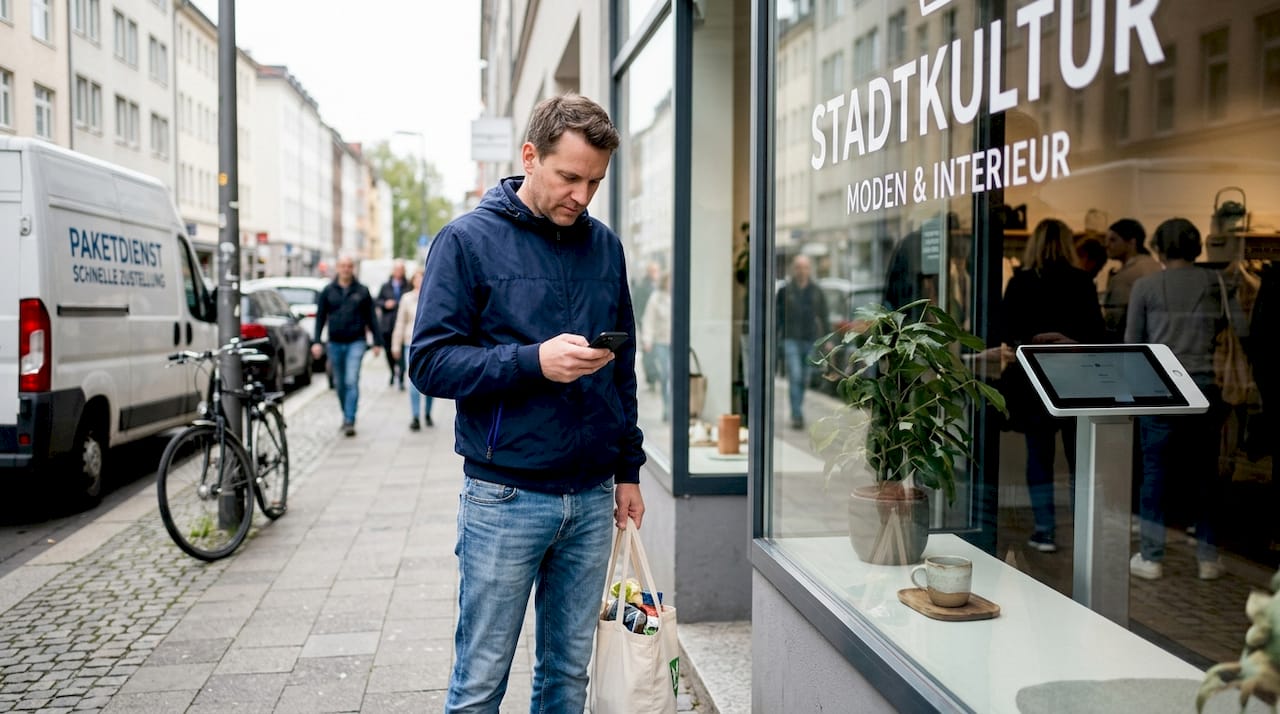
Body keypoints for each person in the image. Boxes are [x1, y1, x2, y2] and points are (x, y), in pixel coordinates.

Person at [407, 94, 646, 713]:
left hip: (591, 498)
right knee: (480, 683)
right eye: (569, 177)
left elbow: (622, 371)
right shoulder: (465, 241)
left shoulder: (605, 247)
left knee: (567, 678)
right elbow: (428, 363)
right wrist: (533, 361)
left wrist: (628, 470)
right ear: (530, 156)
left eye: (595, 182)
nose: (582, 196)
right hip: (505, 497)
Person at [1127, 218, 1235, 581]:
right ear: (1197, 246)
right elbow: (1235, 328)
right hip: (1204, 386)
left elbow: (1132, 343)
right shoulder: (1217, 283)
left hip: (1160, 388)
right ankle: (1208, 557)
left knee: (1155, 472)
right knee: (1205, 474)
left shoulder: (1145, 286)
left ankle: (1151, 556)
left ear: (1158, 247)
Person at [1002, 219, 1104, 553]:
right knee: (1078, 459)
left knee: (1039, 456)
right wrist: (1069, 340)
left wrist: (1031, 341)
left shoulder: (1020, 282)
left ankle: (1044, 530)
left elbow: (1005, 331)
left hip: (1034, 379)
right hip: (1075, 379)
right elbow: (1096, 334)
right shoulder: (1081, 281)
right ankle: (1081, 530)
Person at [312, 255, 381, 437]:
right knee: (339, 383)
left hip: (356, 341)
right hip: (335, 342)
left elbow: (371, 317)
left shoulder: (362, 291)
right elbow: (320, 317)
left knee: (351, 380)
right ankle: (346, 413)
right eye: (343, 266)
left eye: (349, 266)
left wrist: (377, 342)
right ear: (337, 268)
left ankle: (350, 419)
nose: (346, 269)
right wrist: (317, 341)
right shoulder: (328, 291)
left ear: (353, 268)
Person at [776, 254, 828, 429]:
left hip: (810, 340)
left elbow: (824, 315)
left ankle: (797, 409)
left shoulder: (816, 291)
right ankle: (796, 414)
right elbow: (777, 317)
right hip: (790, 339)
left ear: (809, 269)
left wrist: (827, 339)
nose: (801, 271)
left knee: (805, 378)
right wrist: (775, 338)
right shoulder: (785, 291)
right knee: (795, 375)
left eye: (805, 267)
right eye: (798, 267)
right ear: (793, 269)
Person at [1101, 218, 1162, 342]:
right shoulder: (1153, 265)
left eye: (1113, 240)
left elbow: (1114, 318)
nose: (1107, 245)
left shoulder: (1131, 273)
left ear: (1131, 242)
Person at [390, 269, 431, 430]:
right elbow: (400, 322)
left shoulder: (432, 296)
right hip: (410, 342)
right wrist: (396, 344)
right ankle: (415, 416)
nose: (419, 281)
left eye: (422, 278)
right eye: (417, 279)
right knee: (413, 379)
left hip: (429, 343)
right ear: (413, 281)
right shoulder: (407, 298)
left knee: (429, 379)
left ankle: (427, 412)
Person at [640, 271, 672, 421]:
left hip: (676, 343)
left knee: (675, 377)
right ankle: (667, 408)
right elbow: (649, 320)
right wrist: (647, 339)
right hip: (661, 342)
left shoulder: (679, 296)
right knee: (666, 375)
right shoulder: (656, 298)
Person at [377, 260, 408, 389]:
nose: (398, 272)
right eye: (396, 269)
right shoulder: (386, 286)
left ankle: (400, 376)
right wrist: (385, 304)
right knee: (389, 352)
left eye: (401, 270)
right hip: (388, 325)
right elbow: (378, 301)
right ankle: (392, 372)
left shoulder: (407, 286)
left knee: (402, 353)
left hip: (402, 325)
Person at [632, 261, 662, 393]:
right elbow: (639, 308)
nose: (657, 274)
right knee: (648, 351)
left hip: (652, 325)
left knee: (650, 352)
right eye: (656, 271)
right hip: (646, 324)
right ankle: (652, 378)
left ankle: (653, 377)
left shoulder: (652, 287)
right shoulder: (644, 287)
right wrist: (642, 325)